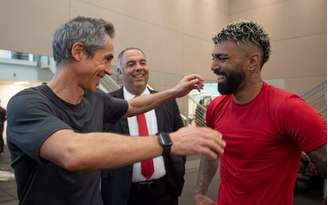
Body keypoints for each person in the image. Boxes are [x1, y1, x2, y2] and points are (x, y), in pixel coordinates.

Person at [6, 16, 226, 205]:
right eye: (106, 59)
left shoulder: (95, 98)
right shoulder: (27, 104)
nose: (110, 71)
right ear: (79, 52)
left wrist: (173, 92)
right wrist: (169, 141)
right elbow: (72, 152)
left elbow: (133, 105)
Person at [194, 20, 327, 205]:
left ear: (252, 62)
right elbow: (210, 152)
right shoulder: (216, 107)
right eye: (214, 57)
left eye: (222, 58)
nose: (213, 66)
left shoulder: (291, 109)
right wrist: (200, 192)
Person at [101, 47, 186, 205]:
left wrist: (178, 170)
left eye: (142, 62)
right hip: (123, 195)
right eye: (131, 64)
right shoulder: (108, 104)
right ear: (119, 72)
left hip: (164, 192)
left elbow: (178, 138)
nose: (138, 67)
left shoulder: (166, 101)